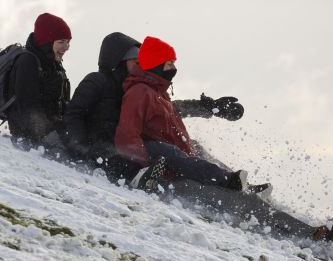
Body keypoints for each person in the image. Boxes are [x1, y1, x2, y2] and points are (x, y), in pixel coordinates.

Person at [114, 36, 333, 241]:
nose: (173, 67)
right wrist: (151, 167)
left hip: (184, 168)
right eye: (169, 63)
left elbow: (179, 111)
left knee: (198, 148)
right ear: (156, 64)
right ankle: (315, 234)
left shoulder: (158, 92)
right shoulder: (140, 93)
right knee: (247, 205)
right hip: (173, 178)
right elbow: (126, 139)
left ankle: (236, 181)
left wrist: (212, 108)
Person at [63, 32, 245, 185]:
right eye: (135, 61)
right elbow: (74, 113)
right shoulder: (98, 81)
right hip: (103, 147)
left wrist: (209, 108)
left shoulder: (136, 86)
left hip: (126, 146)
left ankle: (238, 181)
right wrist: (80, 146)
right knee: (164, 151)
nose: (140, 65)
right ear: (119, 61)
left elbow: (167, 110)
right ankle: (224, 182)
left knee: (194, 146)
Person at [6, 13, 71, 151]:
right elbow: (29, 107)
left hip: (48, 130)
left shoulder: (53, 64)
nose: (67, 47)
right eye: (61, 42)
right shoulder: (28, 62)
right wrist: (51, 136)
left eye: (68, 41)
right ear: (46, 42)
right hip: (29, 136)